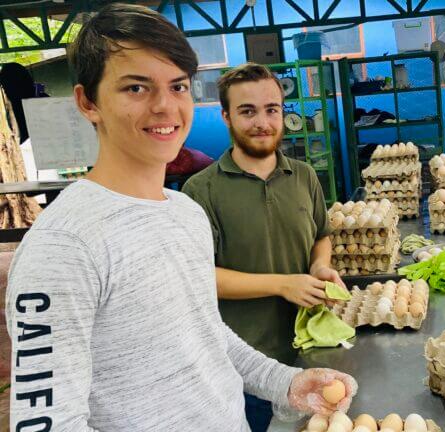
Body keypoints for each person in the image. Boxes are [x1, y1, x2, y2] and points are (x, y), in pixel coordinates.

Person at [5, 4, 356, 431]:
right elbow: (48, 423)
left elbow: (207, 335)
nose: (165, 107)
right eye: (136, 88)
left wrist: (286, 382)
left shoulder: (186, 214)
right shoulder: (63, 247)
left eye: (178, 86)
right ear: (87, 102)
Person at [182, 63, 344, 429]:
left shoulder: (303, 176)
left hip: (309, 350)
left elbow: (321, 235)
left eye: (272, 110)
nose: (262, 122)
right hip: (244, 363)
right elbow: (199, 278)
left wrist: (319, 267)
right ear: (225, 116)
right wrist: (283, 284)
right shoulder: (201, 190)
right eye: (247, 111)